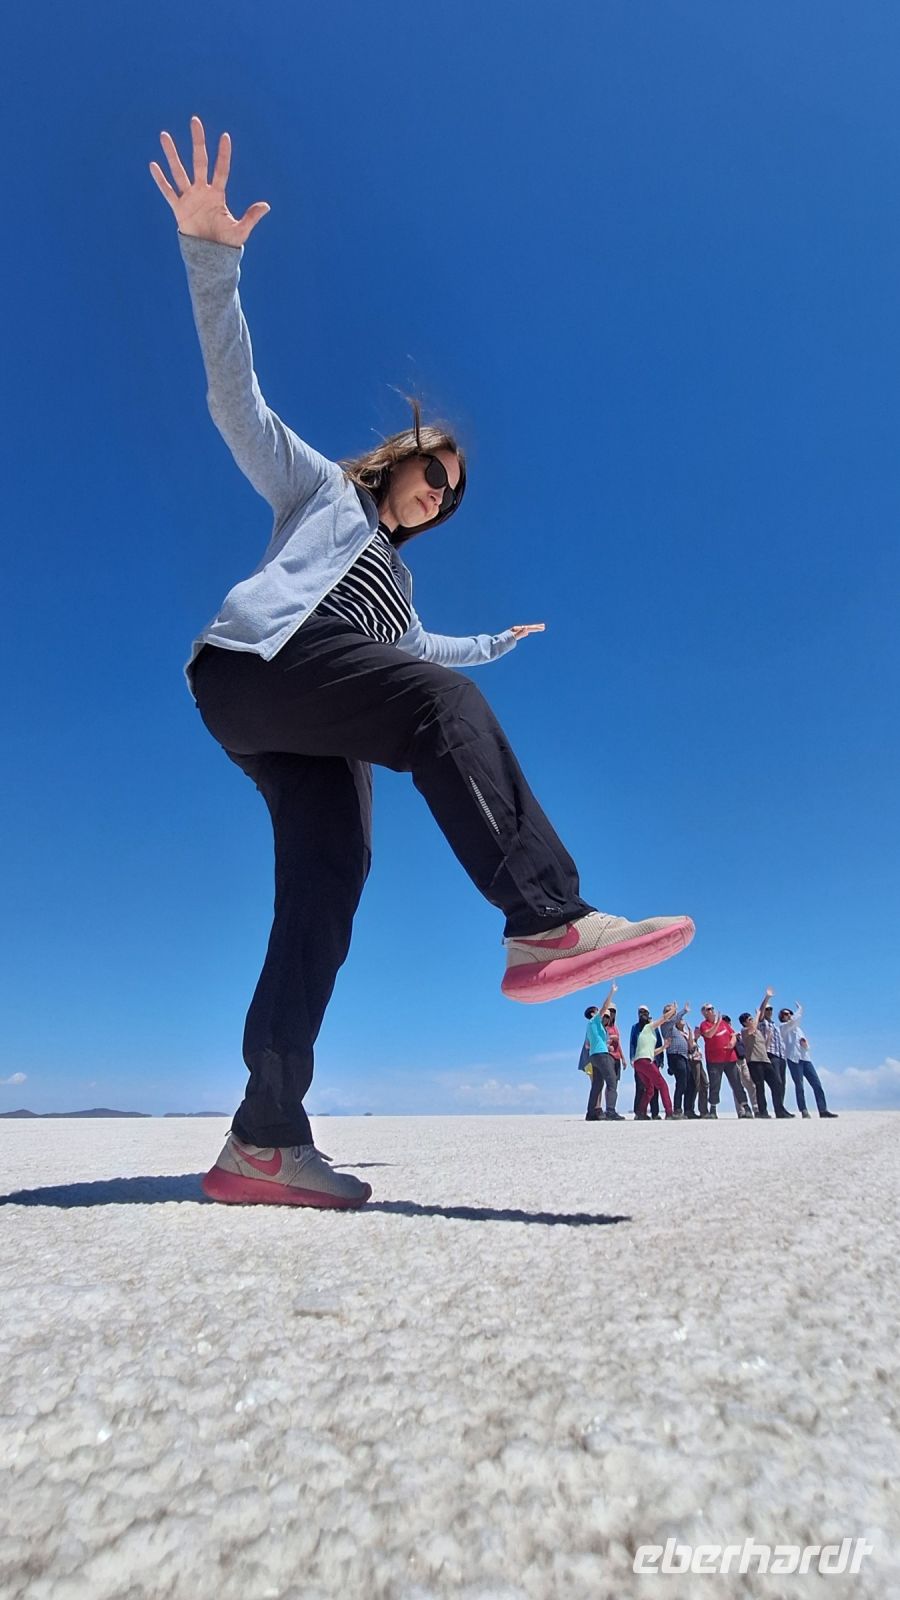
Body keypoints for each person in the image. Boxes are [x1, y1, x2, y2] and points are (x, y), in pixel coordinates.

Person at [149, 120, 695, 1208]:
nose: (439, 494)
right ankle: (545, 915)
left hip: (315, 707)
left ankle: (264, 1136)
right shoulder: (322, 494)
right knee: (441, 708)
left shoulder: (399, 589)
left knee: (329, 883)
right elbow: (234, 402)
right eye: (431, 473)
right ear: (397, 464)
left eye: (452, 492)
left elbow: (414, 647)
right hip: (262, 669)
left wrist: (492, 641)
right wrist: (213, 261)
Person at [778, 1006, 838, 1118]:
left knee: (817, 1084)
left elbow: (804, 1044)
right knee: (799, 1086)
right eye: (786, 1014)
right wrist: (800, 1010)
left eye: (790, 1013)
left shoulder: (799, 1030)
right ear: (782, 1017)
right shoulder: (783, 1027)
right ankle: (804, 1110)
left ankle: (823, 1109)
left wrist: (805, 1045)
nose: (789, 1015)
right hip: (793, 1059)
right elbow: (793, 1022)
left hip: (805, 1058)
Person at [696, 1004, 753, 1119]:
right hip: (714, 1061)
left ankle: (746, 1107)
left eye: (712, 1008)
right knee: (715, 1085)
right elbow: (709, 1034)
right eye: (708, 1009)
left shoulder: (724, 1024)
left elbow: (733, 1034)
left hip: (730, 1059)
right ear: (704, 1013)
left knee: (737, 1083)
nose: (711, 1010)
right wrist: (717, 1023)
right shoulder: (704, 1025)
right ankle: (713, 1110)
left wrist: (732, 1042)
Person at [739, 998, 791, 1118]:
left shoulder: (757, 1032)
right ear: (745, 1023)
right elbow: (753, 1028)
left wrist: (768, 1036)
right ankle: (762, 1112)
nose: (752, 1021)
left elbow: (764, 1046)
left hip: (765, 1060)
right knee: (760, 1086)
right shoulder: (745, 1031)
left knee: (777, 1084)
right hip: (754, 1062)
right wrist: (758, 1013)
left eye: (752, 1019)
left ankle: (780, 1110)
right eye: (750, 1019)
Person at [582, 984, 624, 1120]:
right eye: (598, 1011)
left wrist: (606, 1045)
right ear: (593, 1014)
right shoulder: (595, 1020)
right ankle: (610, 1111)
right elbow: (605, 1005)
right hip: (601, 1055)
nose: (603, 1014)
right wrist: (612, 992)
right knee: (612, 1081)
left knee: (597, 1085)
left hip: (594, 1056)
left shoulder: (590, 1027)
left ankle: (590, 1113)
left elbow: (588, 1045)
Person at [632, 1005, 676, 1119]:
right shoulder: (648, 1028)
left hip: (639, 1062)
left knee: (650, 1089)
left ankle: (641, 1112)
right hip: (644, 1061)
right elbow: (663, 1019)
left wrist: (663, 1047)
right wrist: (673, 1011)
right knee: (663, 1085)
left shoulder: (649, 1034)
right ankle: (669, 1113)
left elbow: (651, 1052)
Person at [629, 1006, 661, 1117]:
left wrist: (660, 1060)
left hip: (653, 1060)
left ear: (648, 1013)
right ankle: (639, 1112)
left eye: (644, 1012)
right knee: (640, 1086)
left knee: (655, 1087)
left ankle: (655, 1113)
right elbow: (632, 1043)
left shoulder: (654, 1027)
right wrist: (632, 1058)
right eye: (640, 1012)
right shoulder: (635, 1027)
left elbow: (659, 1043)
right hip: (639, 1060)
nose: (642, 1014)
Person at [661, 1003, 691, 1118]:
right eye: (669, 1011)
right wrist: (683, 1010)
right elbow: (675, 1019)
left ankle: (685, 1108)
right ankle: (677, 1109)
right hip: (675, 1056)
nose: (672, 1012)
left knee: (686, 1083)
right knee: (681, 1083)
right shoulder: (665, 1024)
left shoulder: (674, 1027)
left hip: (683, 1057)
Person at [758, 999, 787, 1101]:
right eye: (767, 1009)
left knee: (783, 1083)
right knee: (777, 1081)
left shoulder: (775, 1025)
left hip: (781, 1055)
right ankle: (778, 1107)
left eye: (771, 1009)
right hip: (771, 1054)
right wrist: (767, 997)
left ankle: (781, 1106)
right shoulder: (762, 1023)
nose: (769, 1011)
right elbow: (761, 1012)